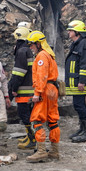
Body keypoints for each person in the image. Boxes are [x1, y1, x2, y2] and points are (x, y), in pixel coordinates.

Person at [25, 30, 60, 163]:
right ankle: (54, 151)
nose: (31, 47)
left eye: (32, 44)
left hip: (45, 89)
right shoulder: (50, 55)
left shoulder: (41, 56)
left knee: (37, 119)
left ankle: (41, 151)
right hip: (52, 89)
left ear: (39, 44)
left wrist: (37, 93)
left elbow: (41, 76)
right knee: (53, 120)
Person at [65, 20, 86, 143]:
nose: (68, 32)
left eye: (71, 30)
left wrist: (82, 81)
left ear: (77, 32)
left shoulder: (83, 43)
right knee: (78, 105)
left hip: (80, 82)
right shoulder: (76, 44)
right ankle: (82, 129)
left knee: (80, 105)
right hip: (76, 81)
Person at [8, 26, 36, 149]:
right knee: (27, 114)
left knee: (24, 114)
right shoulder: (28, 50)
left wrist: (13, 89)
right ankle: (30, 136)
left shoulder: (21, 52)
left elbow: (18, 73)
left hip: (24, 90)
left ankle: (32, 139)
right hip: (30, 89)